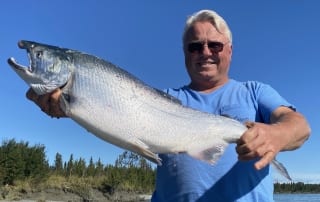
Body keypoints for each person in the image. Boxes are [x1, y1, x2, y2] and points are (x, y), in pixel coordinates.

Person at [26, 9, 310, 202]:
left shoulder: (254, 92)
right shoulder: (160, 99)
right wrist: (67, 108)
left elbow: (299, 126)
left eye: (215, 45)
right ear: (185, 53)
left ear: (230, 50)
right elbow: (112, 116)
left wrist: (276, 135)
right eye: (195, 46)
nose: (206, 53)